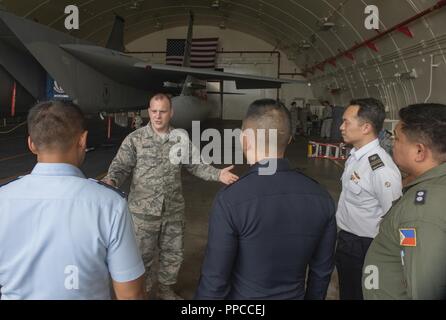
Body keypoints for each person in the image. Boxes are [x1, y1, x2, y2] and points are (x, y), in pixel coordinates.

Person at [0, 101, 145, 300]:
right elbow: (130, 295)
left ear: (31, 144)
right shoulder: (110, 205)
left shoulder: (3, 200)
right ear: (83, 140)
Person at [195, 99, 337, 300]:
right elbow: (321, 273)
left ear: (245, 140)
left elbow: (215, 280)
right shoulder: (321, 197)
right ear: (289, 140)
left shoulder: (230, 200)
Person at [103, 93, 238, 300]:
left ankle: (165, 290)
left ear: (171, 113)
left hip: (173, 210)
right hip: (142, 213)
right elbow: (120, 167)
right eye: (154, 111)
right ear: (149, 112)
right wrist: (111, 180)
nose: (157, 116)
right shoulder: (135, 139)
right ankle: (143, 292)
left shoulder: (180, 139)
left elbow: (195, 164)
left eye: (163, 111)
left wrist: (218, 173)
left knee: (173, 255)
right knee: (140, 258)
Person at [363, 103, 446, 300]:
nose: (392, 144)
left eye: (397, 139)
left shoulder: (421, 212)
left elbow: (425, 291)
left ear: (419, 152)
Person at [336, 98, 402, 300]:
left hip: (366, 247)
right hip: (348, 240)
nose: (341, 127)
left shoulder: (381, 169)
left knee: (361, 294)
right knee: (348, 291)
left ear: (365, 127)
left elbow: (394, 217)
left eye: (347, 122)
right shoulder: (356, 157)